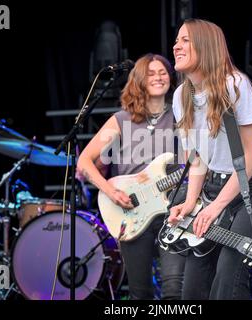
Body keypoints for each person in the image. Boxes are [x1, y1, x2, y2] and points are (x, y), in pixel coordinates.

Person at [167, 18, 252, 300]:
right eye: (176, 40)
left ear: (206, 45)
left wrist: (215, 208)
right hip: (213, 189)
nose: (176, 46)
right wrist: (190, 203)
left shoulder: (235, 85)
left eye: (185, 40)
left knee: (229, 278)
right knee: (192, 290)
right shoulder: (180, 96)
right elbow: (198, 158)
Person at [76, 53, 185, 300]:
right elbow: (84, 161)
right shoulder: (121, 119)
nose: (158, 77)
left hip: (172, 211)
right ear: (138, 80)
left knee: (174, 291)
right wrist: (110, 191)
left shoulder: (181, 115)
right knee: (140, 293)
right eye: (151, 73)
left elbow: (195, 161)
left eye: (163, 72)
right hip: (131, 212)